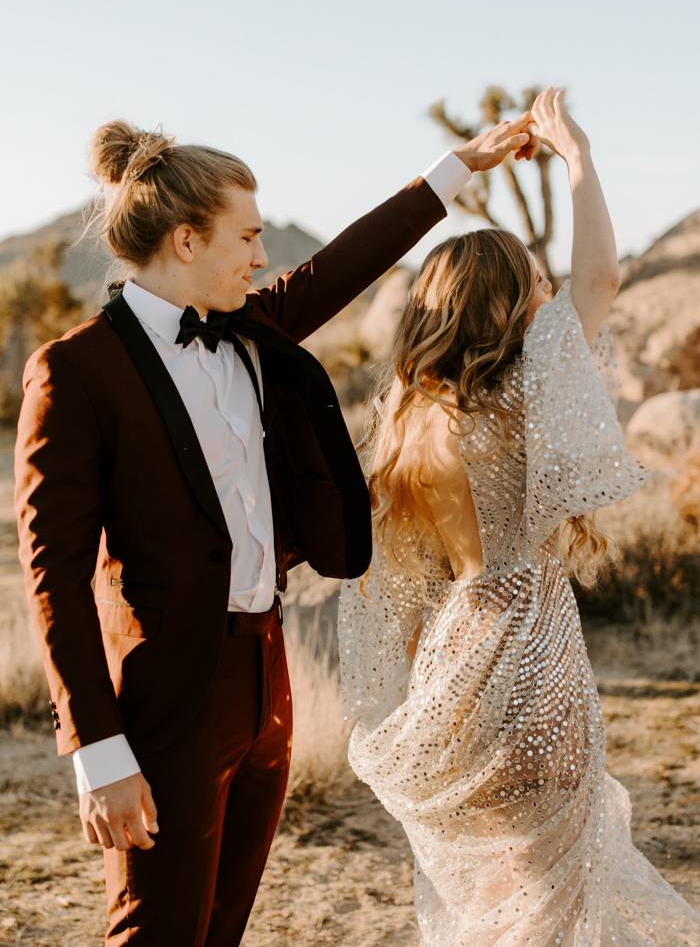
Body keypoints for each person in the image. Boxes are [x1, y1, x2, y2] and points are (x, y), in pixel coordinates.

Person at [14, 111, 536, 946]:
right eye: (247, 237)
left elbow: (348, 262)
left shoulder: (253, 329)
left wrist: (458, 167)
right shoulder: (75, 373)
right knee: (157, 934)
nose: (262, 257)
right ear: (187, 242)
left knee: (224, 928)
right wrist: (98, 751)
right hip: (168, 698)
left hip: (268, 679)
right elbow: (53, 575)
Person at [339, 88, 700, 946]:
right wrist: (576, 157)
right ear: (506, 305)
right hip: (530, 645)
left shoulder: (406, 414)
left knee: (501, 884)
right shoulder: (516, 399)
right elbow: (604, 279)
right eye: (536, 286)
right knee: (551, 888)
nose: (549, 298)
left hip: (453, 653)